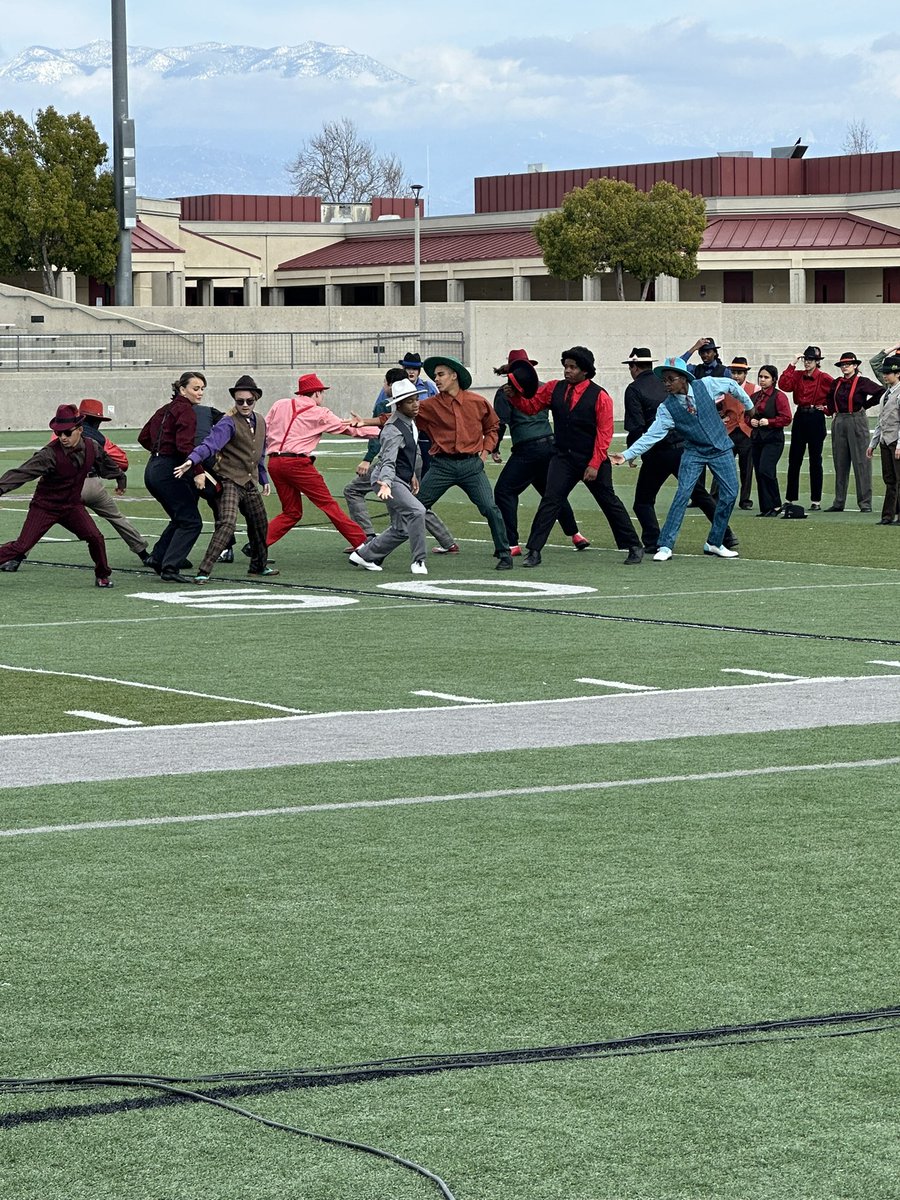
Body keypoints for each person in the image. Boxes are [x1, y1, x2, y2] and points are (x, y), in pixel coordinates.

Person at [506, 346, 643, 567]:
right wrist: (514, 398)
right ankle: (534, 551)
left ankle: (634, 546)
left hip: (592, 458)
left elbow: (604, 433)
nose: (567, 371)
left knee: (609, 502)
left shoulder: (600, 396)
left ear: (585, 371)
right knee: (550, 501)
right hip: (563, 458)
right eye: (565, 366)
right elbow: (531, 407)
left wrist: (595, 464)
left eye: (572, 367)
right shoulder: (554, 388)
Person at [610, 357, 752, 561]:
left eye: (670, 379)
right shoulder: (666, 408)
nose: (666, 384)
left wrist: (749, 406)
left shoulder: (706, 385)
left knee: (730, 495)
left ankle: (715, 542)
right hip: (693, 451)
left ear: (684, 378)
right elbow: (652, 435)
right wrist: (626, 455)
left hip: (721, 448)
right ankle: (665, 545)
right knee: (683, 494)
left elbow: (731, 385)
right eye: (664, 380)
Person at [1, 397, 150, 573]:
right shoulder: (93, 442)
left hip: (70, 498)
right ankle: (143, 553)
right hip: (70, 495)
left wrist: (119, 477)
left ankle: (102, 574)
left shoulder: (77, 442)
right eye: (59, 434)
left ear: (80, 424)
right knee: (115, 518)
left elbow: (107, 462)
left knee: (89, 536)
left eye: (66, 433)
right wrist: (119, 478)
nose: (63, 437)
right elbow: (121, 461)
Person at [414, 354, 514, 569]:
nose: (436, 379)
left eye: (441, 374)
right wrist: (366, 422)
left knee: (490, 508)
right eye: (435, 376)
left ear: (454, 376)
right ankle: (377, 550)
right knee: (416, 508)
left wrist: (486, 452)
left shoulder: (477, 402)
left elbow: (493, 427)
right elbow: (401, 417)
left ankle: (504, 553)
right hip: (442, 466)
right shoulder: (429, 405)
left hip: (472, 466)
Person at [174, 374, 277, 581]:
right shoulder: (228, 423)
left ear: (256, 399)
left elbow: (260, 453)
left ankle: (258, 565)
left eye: (249, 401)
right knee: (227, 522)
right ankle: (204, 570)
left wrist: (264, 477)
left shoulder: (261, 421)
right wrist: (192, 460)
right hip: (230, 480)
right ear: (235, 401)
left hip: (249, 482)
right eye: (240, 401)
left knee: (260, 523)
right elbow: (209, 445)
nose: (245, 405)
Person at [343, 366, 457, 552]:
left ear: (389, 385)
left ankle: (368, 540)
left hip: (396, 463)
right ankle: (447, 541)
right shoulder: (415, 406)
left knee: (353, 490)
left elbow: (386, 440)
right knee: (415, 503)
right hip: (413, 459)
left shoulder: (393, 406)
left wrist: (368, 459)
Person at [263, 373, 380, 554]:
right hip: (297, 464)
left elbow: (265, 428)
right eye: (322, 393)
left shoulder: (280, 404)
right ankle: (364, 544)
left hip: (274, 463)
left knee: (291, 512)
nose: (322, 397)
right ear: (316, 393)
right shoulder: (320, 413)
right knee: (328, 505)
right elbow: (348, 428)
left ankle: (258, 543)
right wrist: (380, 431)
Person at [492, 348, 589, 556]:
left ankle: (512, 543)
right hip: (550, 445)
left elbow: (500, 422)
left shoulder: (505, 392)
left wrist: (495, 447)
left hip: (527, 448)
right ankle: (575, 534)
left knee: (504, 491)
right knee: (553, 493)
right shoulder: (545, 387)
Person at [348, 379, 432, 574]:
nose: (416, 404)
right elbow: (387, 460)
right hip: (387, 479)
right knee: (418, 511)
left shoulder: (410, 422)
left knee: (401, 528)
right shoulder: (393, 429)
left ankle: (364, 555)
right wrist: (385, 483)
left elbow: (407, 453)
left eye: (416, 399)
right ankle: (418, 561)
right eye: (410, 401)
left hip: (399, 479)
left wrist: (411, 475)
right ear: (399, 405)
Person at [138, 370, 207, 584]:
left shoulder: (164, 410)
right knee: (191, 521)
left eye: (202, 389)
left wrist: (159, 453)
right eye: (196, 388)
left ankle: (158, 557)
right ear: (182, 389)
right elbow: (184, 445)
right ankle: (170, 566)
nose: (200, 393)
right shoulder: (186, 411)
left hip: (152, 469)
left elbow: (143, 437)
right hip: (168, 469)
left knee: (180, 517)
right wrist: (198, 471)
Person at [823, 352, 884, 513]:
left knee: (861, 463)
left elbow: (880, 392)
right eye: (843, 364)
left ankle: (865, 502)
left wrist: (866, 405)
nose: (845, 367)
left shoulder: (862, 382)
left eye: (848, 364)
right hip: (839, 421)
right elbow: (829, 398)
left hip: (856, 419)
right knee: (840, 462)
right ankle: (839, 501)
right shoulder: (837, 383)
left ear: (855, 366)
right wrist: (831, 411)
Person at [779, 346, 833, 512]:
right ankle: (790, 498)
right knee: (794, 459)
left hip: (816, 418)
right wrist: (792, 363)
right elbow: (783, 385)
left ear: (817, 362)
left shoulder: (825, 378)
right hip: (801, 416)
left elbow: (835, 397)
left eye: (811, 360)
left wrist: (825, 409)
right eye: (805, 359)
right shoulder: (797, 375)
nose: (808, 362)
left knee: (816, 460)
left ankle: (816, 500)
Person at [748, 365, 792, 517]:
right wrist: (751, 421)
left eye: (766, 377)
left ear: (774, 379)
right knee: (759, 472)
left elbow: (786, 418)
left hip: (773, 439)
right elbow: (747, 415)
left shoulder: (779, 396)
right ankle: (766, 507)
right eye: (761, 377)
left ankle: (776, 505)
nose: (762, 380)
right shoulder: (755, 397)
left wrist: (770, 421)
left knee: (766, 470)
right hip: (757, 439)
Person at [866, 350, 900, 524]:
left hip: (896, 440)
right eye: (885, 373)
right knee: (889, 480)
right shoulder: (886, 393)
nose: (885, 375)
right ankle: (888, 515)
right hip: (886, 441)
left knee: (899, 479)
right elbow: (881, 420)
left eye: (888, 373)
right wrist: (873, 442)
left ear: (898, 374)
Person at [725, 357, 756, 509]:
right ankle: (717, 497)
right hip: (729, 431)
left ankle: (745, 500)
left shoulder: (754, 389)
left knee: (747, 468)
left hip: (746, 432)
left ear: (745, 374)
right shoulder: (724, 388)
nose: (736, 376)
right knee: (723, 465)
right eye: (734, 372)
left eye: (739, 373)